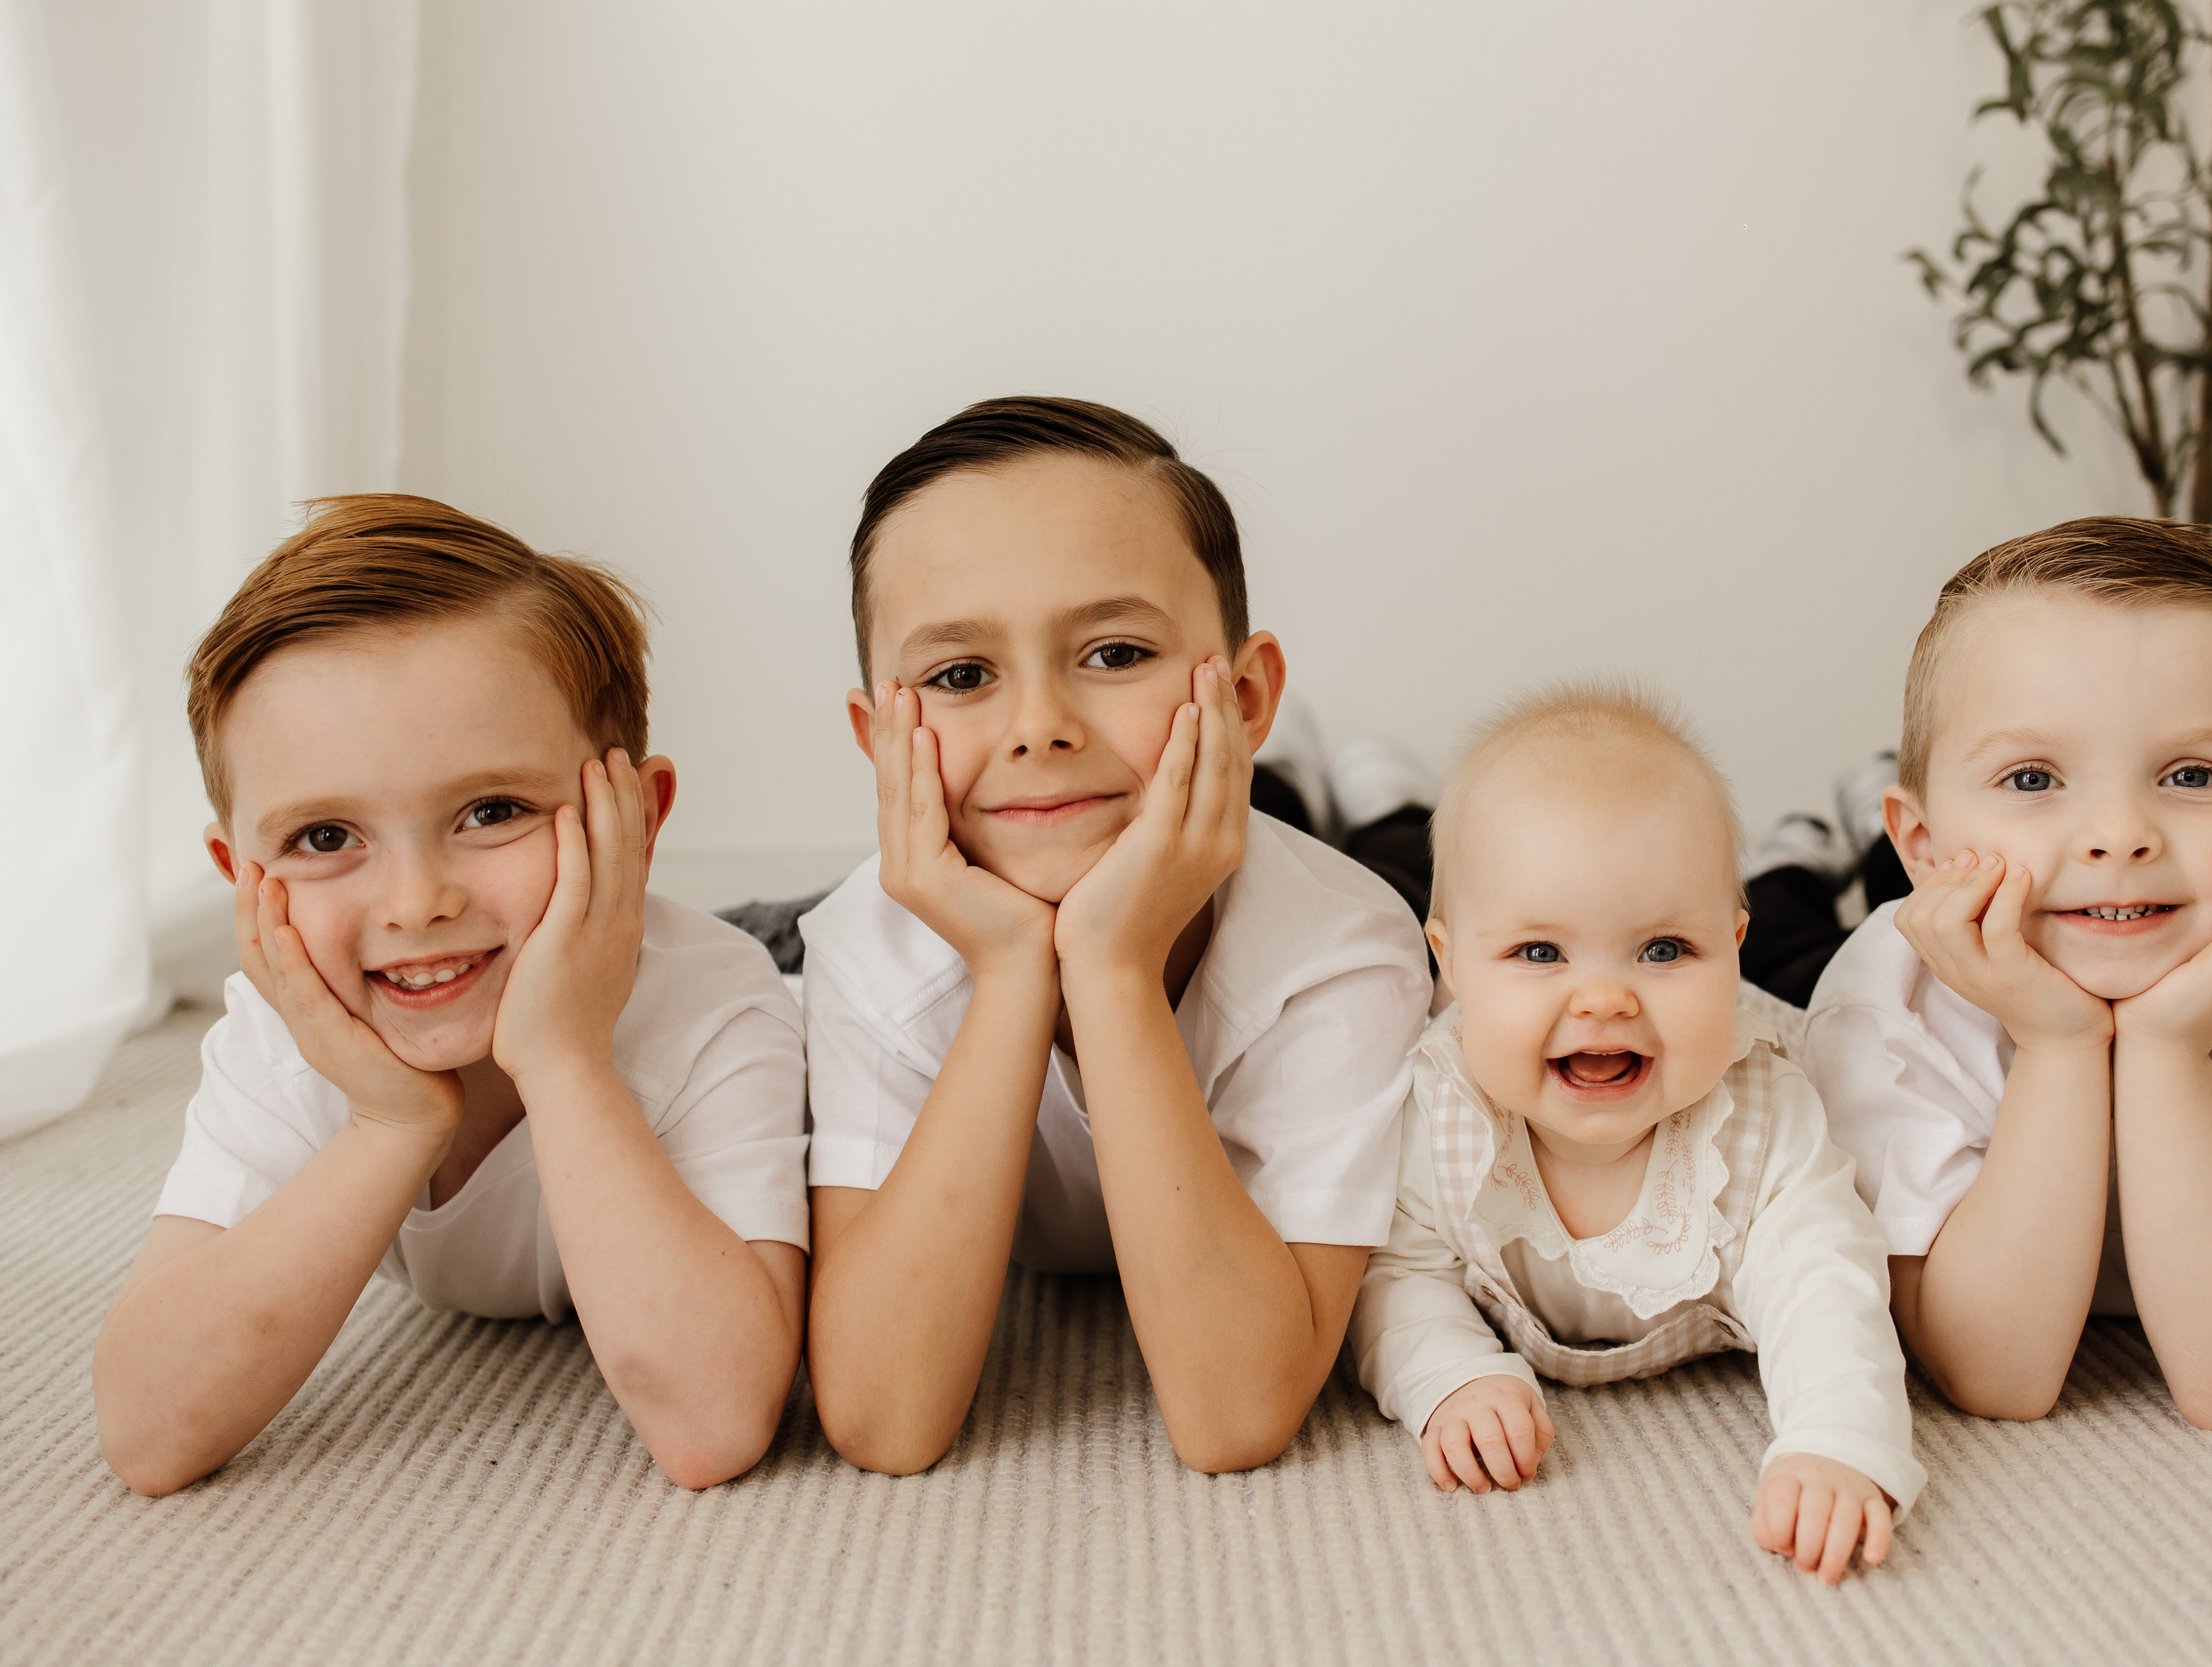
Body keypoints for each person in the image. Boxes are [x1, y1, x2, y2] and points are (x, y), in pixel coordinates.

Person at [92, 496, 809, 1495]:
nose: (417, 902)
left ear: (636, 818)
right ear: (238, 871)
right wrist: (388, 1122)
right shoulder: (283, 1023)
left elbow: (711, 1420)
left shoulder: (719, 1008)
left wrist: (564, 1061)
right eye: (325, 837)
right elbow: (149, 1430)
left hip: (782, 959)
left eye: (491, 811)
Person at [799, 397, 1433, 1475]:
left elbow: (1234, 1412)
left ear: (1240, 694)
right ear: (878, 738)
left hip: (1296, 861)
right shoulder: (865, 946)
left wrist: (1115, 965)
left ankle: (1371, 790)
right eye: (961, 676)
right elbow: (882, 1419)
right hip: (1073, 831)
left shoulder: (1344, 949)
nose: (1039, 724)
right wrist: (1010, 971)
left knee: (1444, 872)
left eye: (1115, 651)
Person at [1800, 517, 2212, 1430]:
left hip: (2055, 902)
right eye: (2032, 778)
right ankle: (1816, 852)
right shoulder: (1884, 998)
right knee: (1772, 944)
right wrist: (2057, 1044)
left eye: (2191, 774)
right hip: (1930, 928)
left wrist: (2167, 1045)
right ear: (1925, 841)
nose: (2120, 831)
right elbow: (1996, 1375)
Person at [1348, 683, 1922, 1585]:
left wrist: (1837, 1437)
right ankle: (1365, 792)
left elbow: (1827, 1281)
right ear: (1448, 965)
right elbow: (1395, 1270)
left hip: (1801, 983)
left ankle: (1800, 863)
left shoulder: (1763, 1114)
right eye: (1540, 952)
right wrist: (1451, 1374)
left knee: (1843, 951)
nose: (1605, 997)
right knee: (1372, 866)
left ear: (1730, 950)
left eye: (1663, 949)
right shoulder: (1443, 1104)